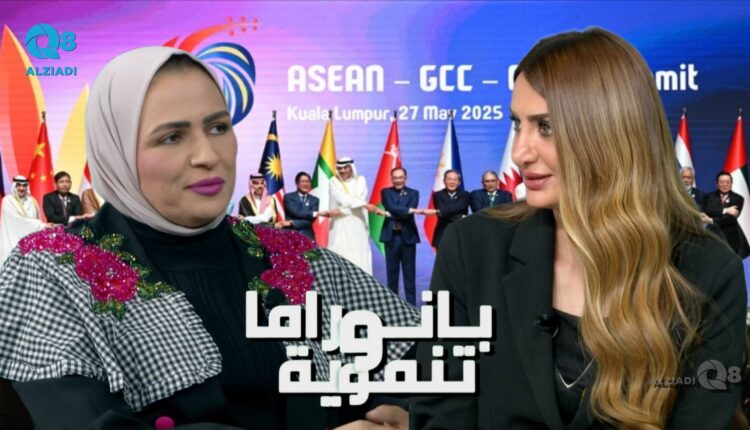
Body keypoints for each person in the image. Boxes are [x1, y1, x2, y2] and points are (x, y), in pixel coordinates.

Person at [0, 47, 417, 430]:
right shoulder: (52, 270)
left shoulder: (291, 256)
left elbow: (426, 358)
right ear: (116, 152)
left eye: (218, 127)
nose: (208, 155)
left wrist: (404, 413)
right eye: (172, 136)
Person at [411, 28, 746, 429]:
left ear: (609, 131)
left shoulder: (708, 272)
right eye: (517, 124)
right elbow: (439, 412)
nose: (519, 152)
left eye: (546, 127)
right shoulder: (472, 248)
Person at [327, 157, 386, 274]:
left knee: (360, 254)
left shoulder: (361, 180)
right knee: (340, 253)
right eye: (339, 168)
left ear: (351, 168)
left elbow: (360, 198)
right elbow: (343, 199)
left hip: (359, 224)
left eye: (345, 168)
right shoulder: (334, 181)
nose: (342, 171)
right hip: (341, 225)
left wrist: (343, 210)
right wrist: (365, 205)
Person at [379, 167, 419, 305]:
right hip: (391, 237)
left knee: (410, 274)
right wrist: (407, 210)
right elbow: (391, 206)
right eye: (395, 178)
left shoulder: (414, 193)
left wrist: (390, 213)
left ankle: (412, 306)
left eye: (400, 177)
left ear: (405, 178)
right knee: (392, 274)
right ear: (391, 179)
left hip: (408, 237)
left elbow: (405, 213)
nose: (398, 180)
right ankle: (393, 306)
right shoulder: (385, 192)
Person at [0, 176, 49, 264]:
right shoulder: (8, 201)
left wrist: (43, 227)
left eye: (24, 185)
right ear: (14, 186)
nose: (22, 188)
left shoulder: (32, 201)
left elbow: (36, 219)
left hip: (31, 244)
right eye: (18, 185)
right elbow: (19, 220)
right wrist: (42, 225)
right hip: (12, 240)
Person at [703, 170, 750, 258]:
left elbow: (729, 219)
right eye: (722, 182)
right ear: (717, 184)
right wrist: (725, 210)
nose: (724, 184)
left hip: (731, 238)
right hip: (713, 235)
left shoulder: (738, 198)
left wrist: (711, 220)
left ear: (731, 184)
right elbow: (708, 211)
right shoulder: (709, 196)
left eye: (727, 182)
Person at [424, 169, 469, 248]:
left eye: (455, 180)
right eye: (449, 179)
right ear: (444, 181)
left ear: (459, 182)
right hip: (442, 234)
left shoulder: (465, 195)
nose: (452, 182)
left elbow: (457, 208)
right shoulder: (437, 195)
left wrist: (440, 212)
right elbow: (443, 214)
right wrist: (461, 217)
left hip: (460, 234)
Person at [278, 171, 319, 240]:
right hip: (291, 235)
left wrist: (292, 223)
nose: (305, 184)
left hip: (308, 236)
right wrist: (312, 213)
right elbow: (296, 212)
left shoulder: (315, 200)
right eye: (302, 181)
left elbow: (310, 221)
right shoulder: (288, 197)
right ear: (297, 183)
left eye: (307, 181)